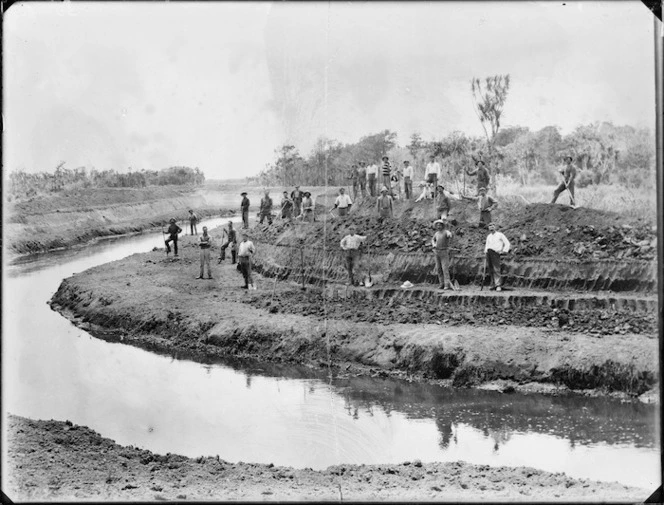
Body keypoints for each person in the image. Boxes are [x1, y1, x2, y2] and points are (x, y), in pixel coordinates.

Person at [484, 222, 511, 291]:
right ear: (488, 227)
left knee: (496, 269)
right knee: (490, 269)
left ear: (495, 227)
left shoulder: (500, 235)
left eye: (493, 225)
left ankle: (498, 285)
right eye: (490, 226)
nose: (491, 227)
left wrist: (504, 251)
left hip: (496, 253)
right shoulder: (489, 236)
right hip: (489, 253)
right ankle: (493, 284)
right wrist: (485, 252)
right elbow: (487, 245)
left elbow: (507, 243)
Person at [431, 219, 453, 290]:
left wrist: (449, 234)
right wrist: (434, 244)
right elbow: (432, 239)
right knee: (439, 269)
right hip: (437, 252)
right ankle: (441, 284)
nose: (438, 226)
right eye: (437, 225)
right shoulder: (436, 233)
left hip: (444, 252)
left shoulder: (446, 232)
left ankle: (447, 284)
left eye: (440, 225)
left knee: (445, 269)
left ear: (442, 225)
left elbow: (449, 234)